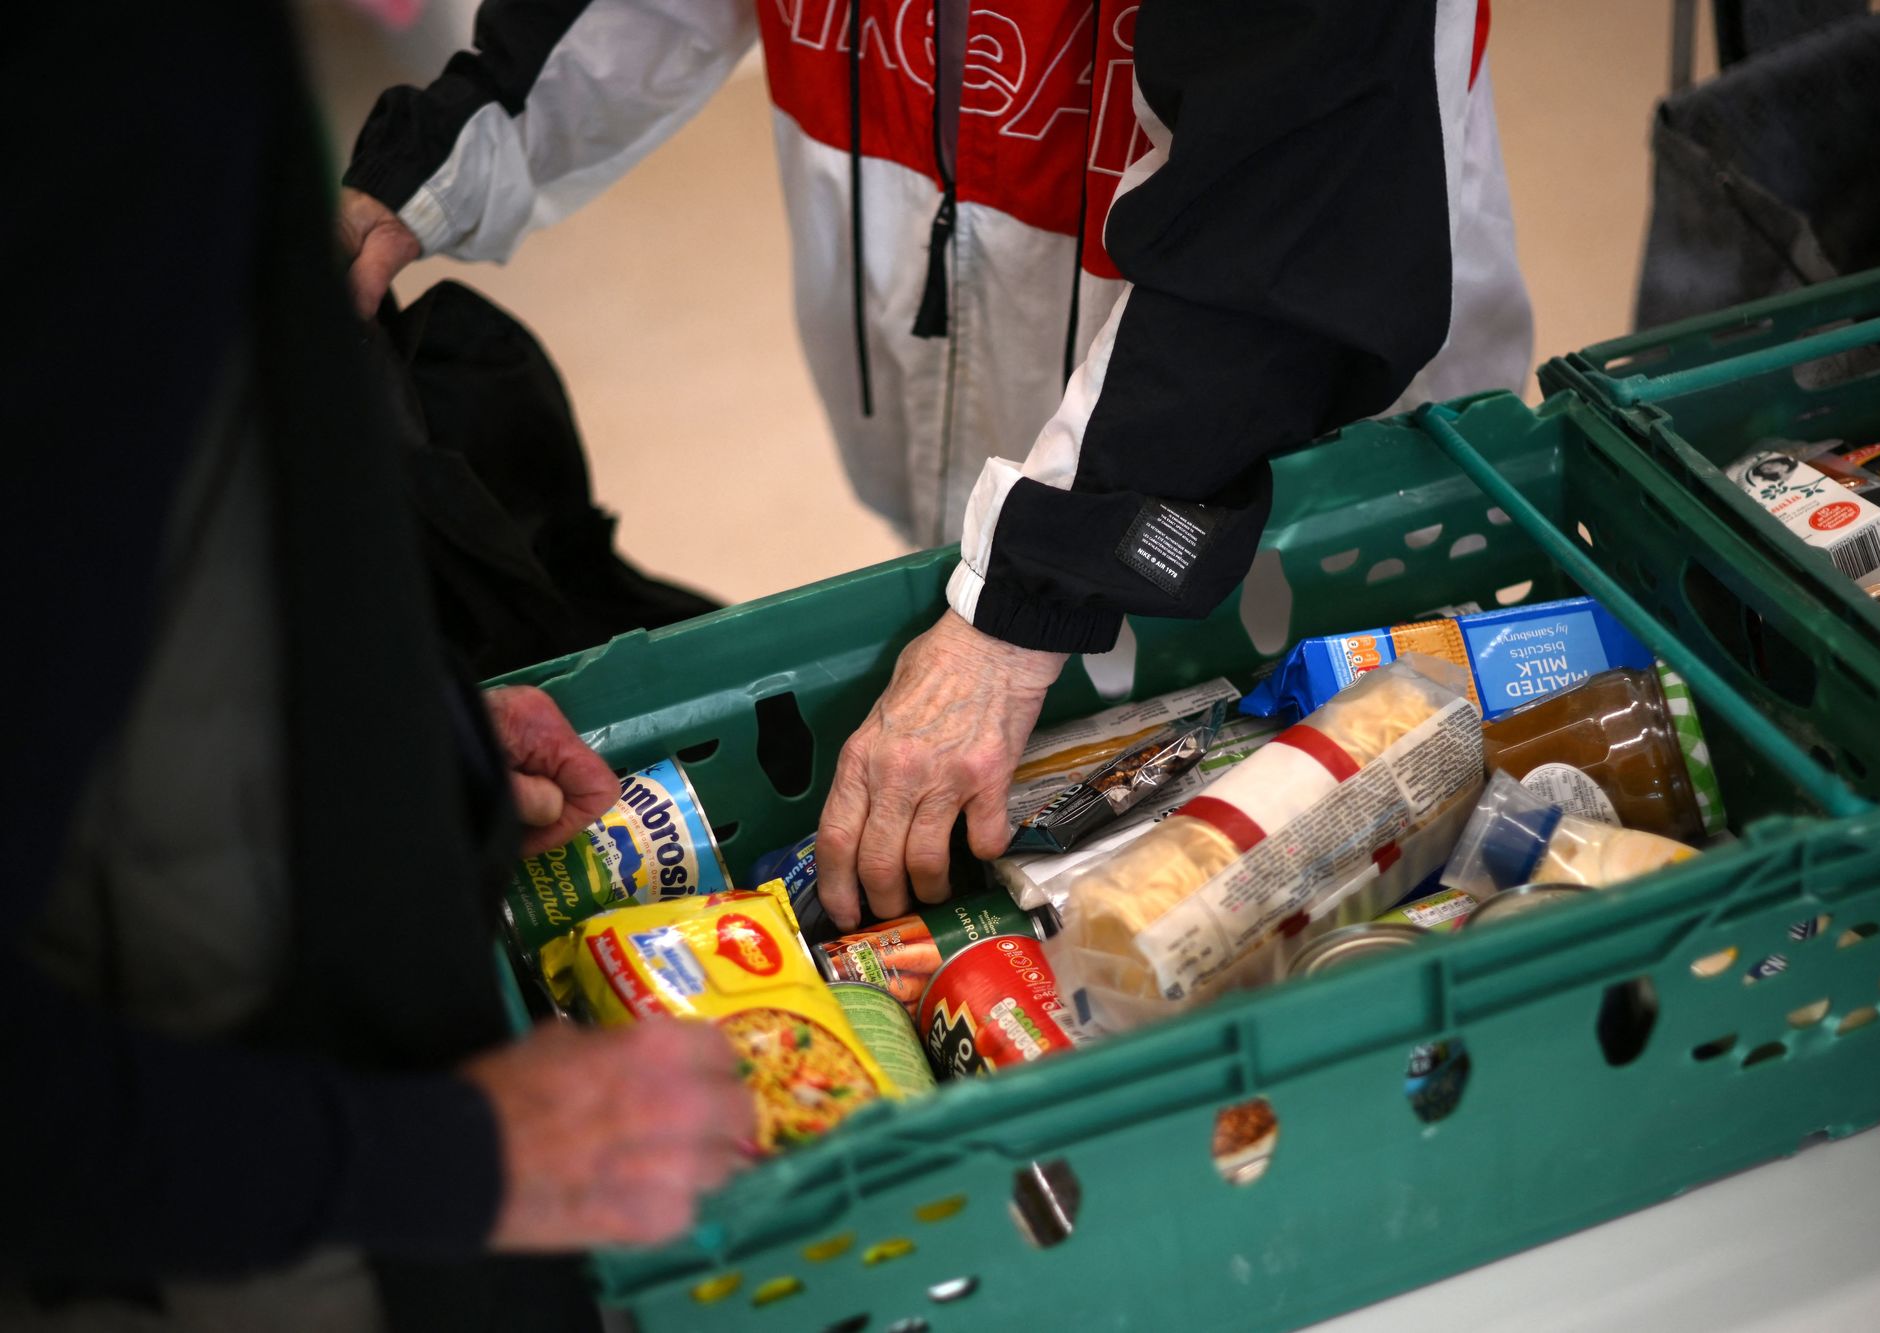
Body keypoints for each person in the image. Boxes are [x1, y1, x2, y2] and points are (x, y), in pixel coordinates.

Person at [340, 1, 1533, 930]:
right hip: (974, 375)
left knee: (1391, 775)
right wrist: (436, 161)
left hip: (1291, 454)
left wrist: (1030, 600)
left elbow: (1292, 211)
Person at [3, 4, 753, 1327]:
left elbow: (163, 607)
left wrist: (405, 744)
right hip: (259, 1256)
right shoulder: (76, 130)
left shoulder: (168, 73)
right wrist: (455, 1163)